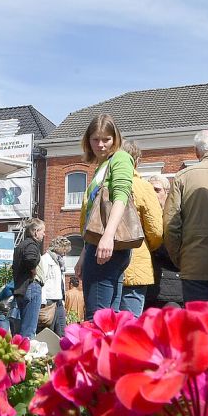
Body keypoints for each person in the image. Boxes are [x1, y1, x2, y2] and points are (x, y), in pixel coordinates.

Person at [75, 114, 134, 320]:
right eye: (95, 139)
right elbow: (94, 215)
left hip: (108, 245)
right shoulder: (101, 166)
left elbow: (121, 197)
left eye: (106, 139)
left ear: (115, 138)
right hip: (97, 245)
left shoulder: (120, 158)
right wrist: (83, 254)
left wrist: (108, 236)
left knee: (96, 317)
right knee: (108, 318)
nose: (100, 145)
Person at [163, 129, 208, 305]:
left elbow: (171, 224)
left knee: (197, 325)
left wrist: (179, 258)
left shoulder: (183, 177)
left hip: (194, 263)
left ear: (196, 151)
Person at [118, 141, 163, 317]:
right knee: (130, 326)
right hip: (135, 261)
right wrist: (148, 247)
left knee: (105, 324)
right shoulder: (143, 187)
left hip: (102, 262)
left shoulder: (100, 182)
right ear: (136, 161)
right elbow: (156, 230)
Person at [144, 174, 184, 309]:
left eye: (157, 190)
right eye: (149, 190)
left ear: (167, 193)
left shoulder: (174, 218)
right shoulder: (142, 218)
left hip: (171, 288)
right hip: (146, 288)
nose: (153, 194)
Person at [13, 219, 45, 338]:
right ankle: (27, 353)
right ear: (35, 232)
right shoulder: (31, 245)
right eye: (43, 231)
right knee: (29, 330)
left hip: (22, 287)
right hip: (32, 286)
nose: (44, 234)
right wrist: (33, 271)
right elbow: (30, 259)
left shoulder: (21, 245)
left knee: (24, 327)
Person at [41, 236, 71, 334]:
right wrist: (43, 301)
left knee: (62, 331)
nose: (65, 253)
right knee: (49, 330)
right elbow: (42, 281)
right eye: (64, 250)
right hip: (49, 301)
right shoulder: (45, 259)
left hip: (59, 301)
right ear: (59, 248)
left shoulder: (60, 262)